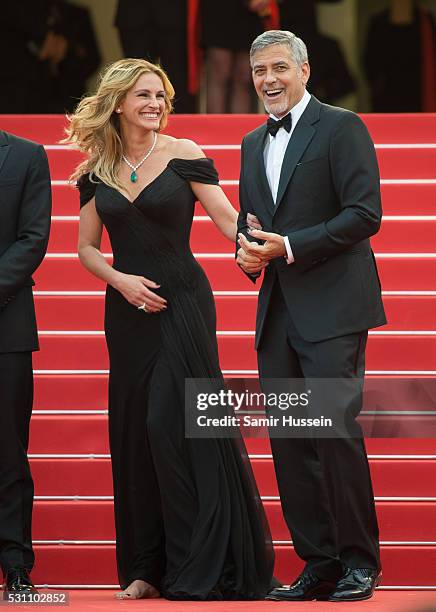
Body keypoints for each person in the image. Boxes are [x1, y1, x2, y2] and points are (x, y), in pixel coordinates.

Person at [64, 58, 273, 600]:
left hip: (182, 305)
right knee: (135, 433)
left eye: (161, 95)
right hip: (127, 312)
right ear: (118, 103)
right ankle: (146, 567)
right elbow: (86, 247)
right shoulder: (96, 170)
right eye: (144, 96)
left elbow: (227, 219)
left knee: (171, 424)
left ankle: (198, 563)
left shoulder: (185, 155)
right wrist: (120, 281)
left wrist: (248, 244)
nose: (155, 104)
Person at [236, 30, 386, 602]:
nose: (268, 80)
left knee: (333, 433)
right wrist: (248, 252)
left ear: (304, 70)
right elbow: (253, 223)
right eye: (258, 72)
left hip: (333, 309)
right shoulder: (253, 141)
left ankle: (358, 563)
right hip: (277, 312)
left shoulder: (343, 126)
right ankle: (319, 562)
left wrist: (290, 246)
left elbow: (364, 213)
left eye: (278, 68)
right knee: (289, 440)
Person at [0, 131, 52, 598]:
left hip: (6, 327)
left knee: (9, 451)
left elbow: (33, 238)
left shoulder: (26, 156)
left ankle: (15, 564)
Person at [114, 0, 195, 113]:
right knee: (135, 78)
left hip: (174, 14)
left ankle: (181, 128)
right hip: (133, 12)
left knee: (178, 82)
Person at [200, 0, 269, 113]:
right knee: (219, 72)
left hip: (249, 13)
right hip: (218, 10)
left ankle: (239, 129)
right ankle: (214, 127)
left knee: (244, 77)